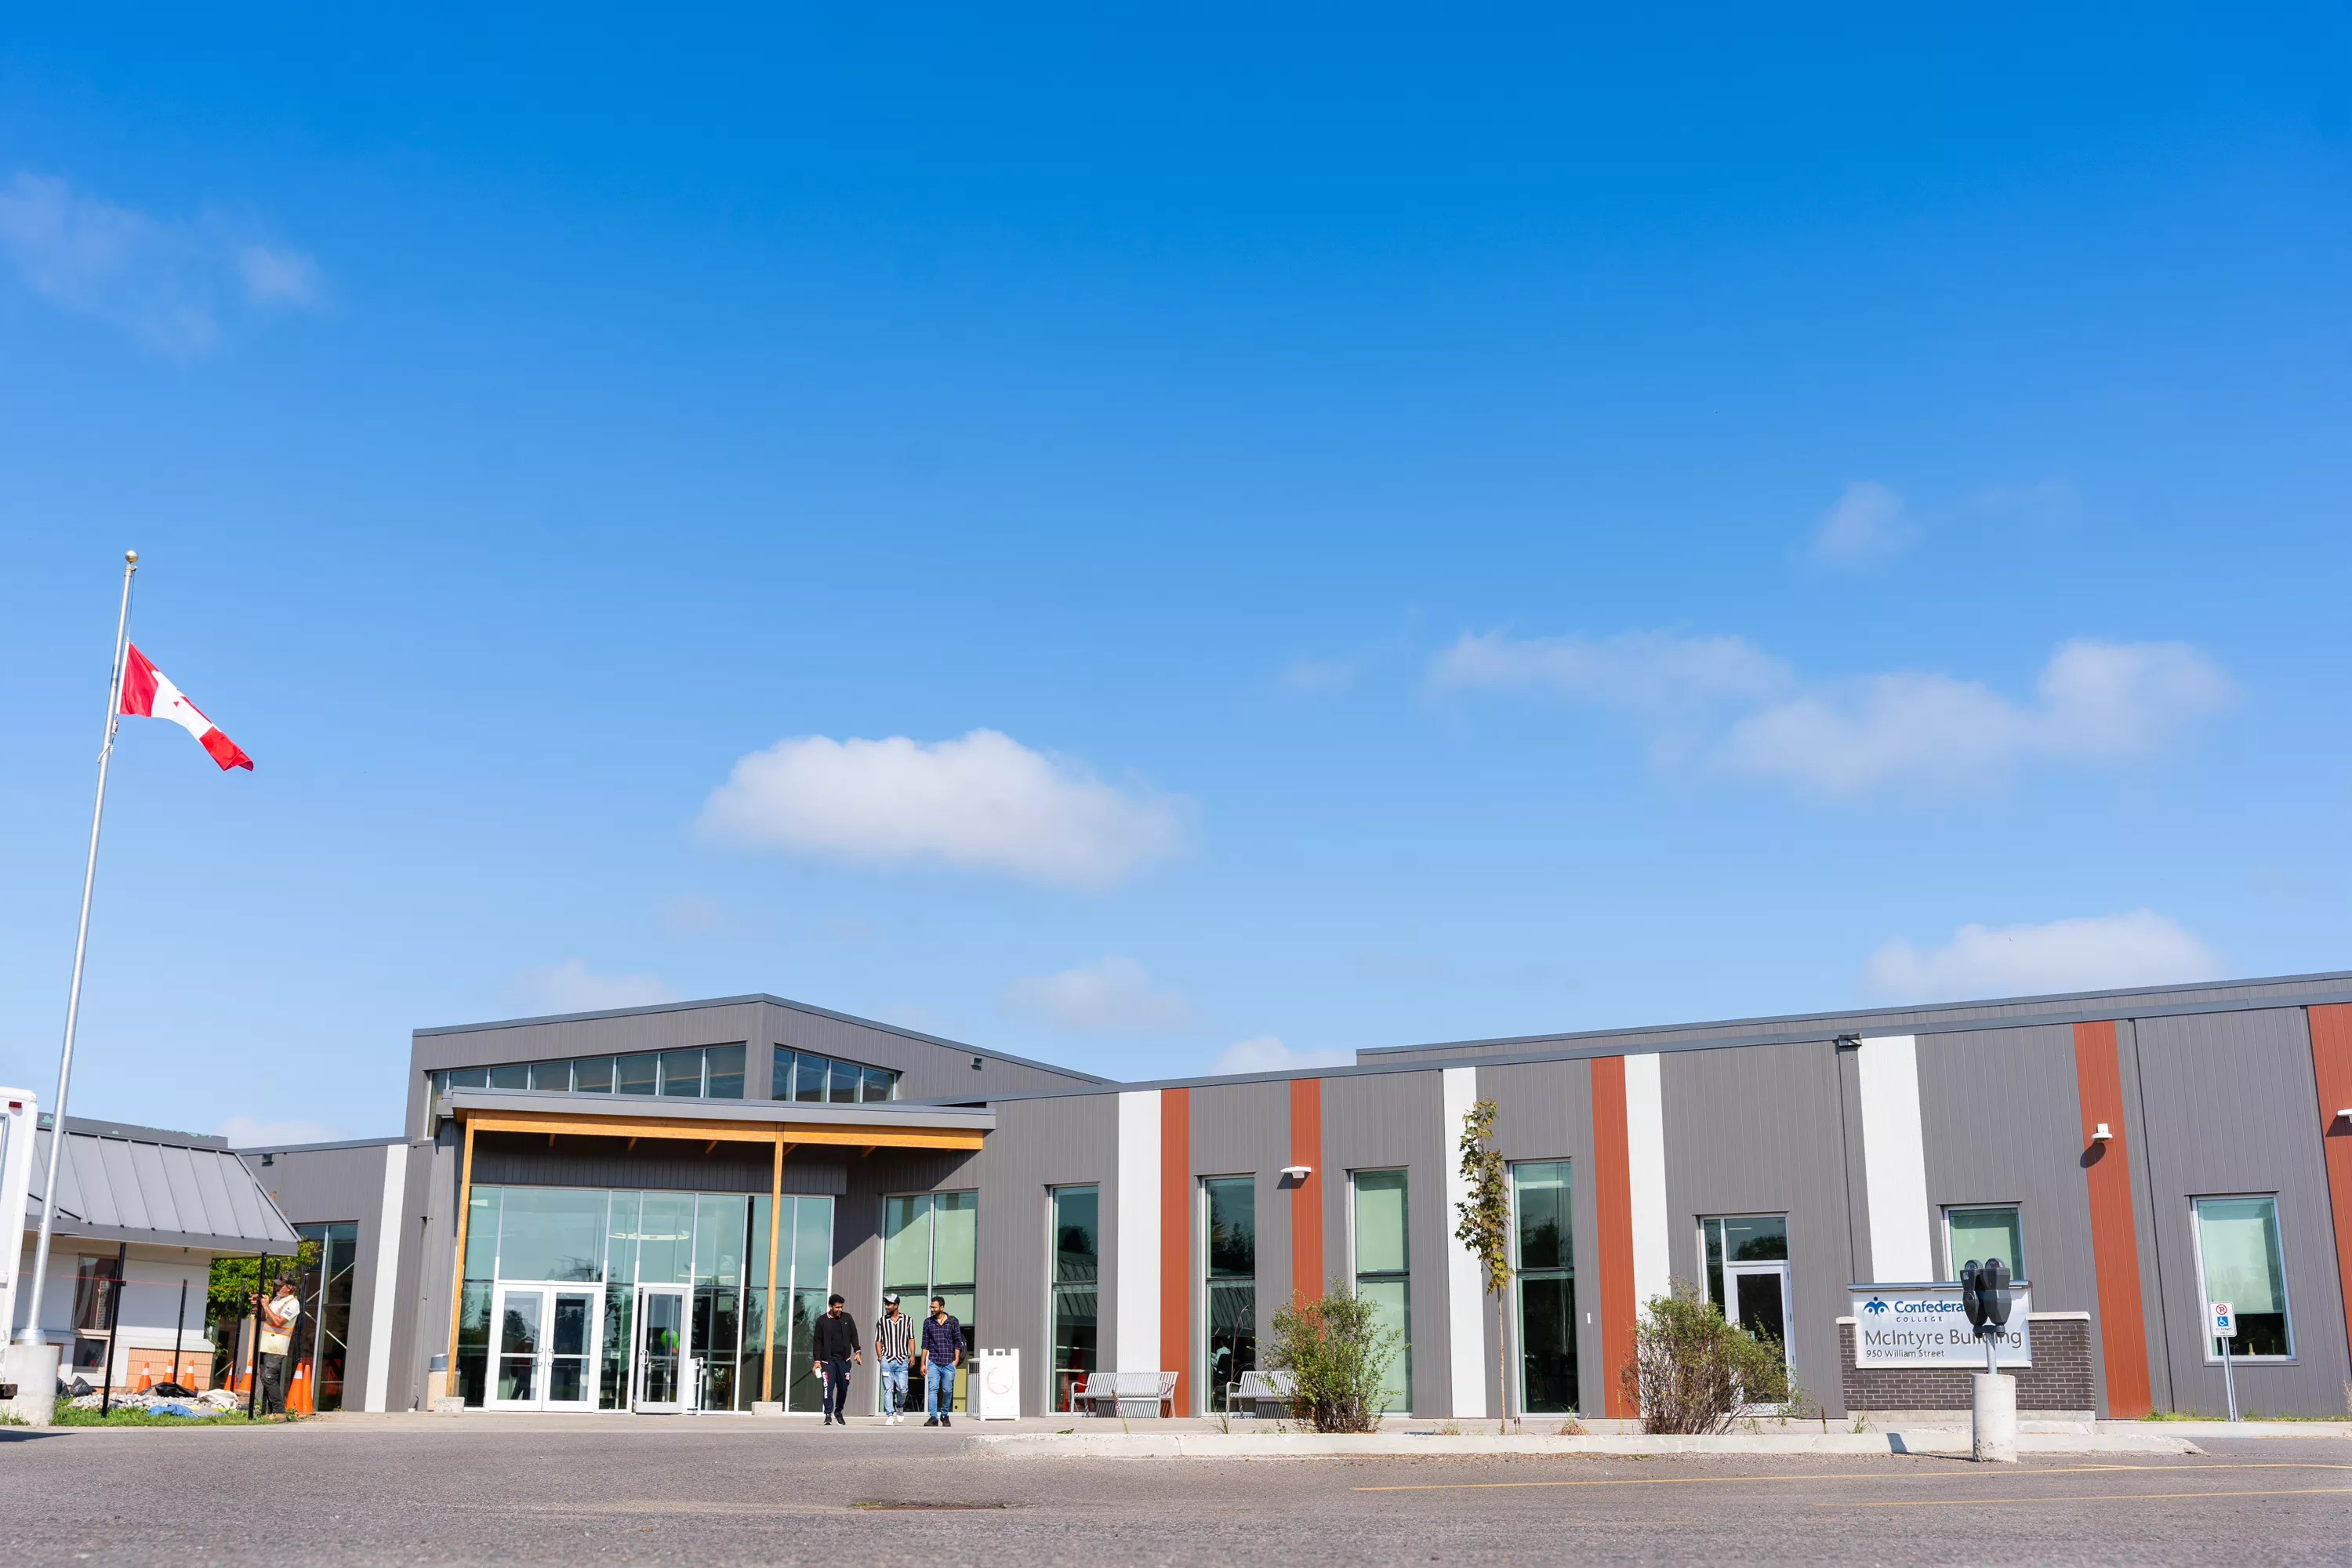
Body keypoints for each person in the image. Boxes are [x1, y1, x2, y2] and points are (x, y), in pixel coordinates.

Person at [810, 1292, 861, 1426]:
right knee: (828, 1387)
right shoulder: (822, 1321)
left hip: (844, 1360)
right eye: (837, 1307)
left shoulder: (847, 1318)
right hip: (828, 1361)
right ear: (830, 1306)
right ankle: (828, 1415)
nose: (840, 1310)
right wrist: (817, 1361)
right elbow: (817, 1342)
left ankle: (839, 1411)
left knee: (844, 1386)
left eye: (841, 1307)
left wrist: (857, 1351)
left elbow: (854, 1336)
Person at [252, 1277, 301, 1416]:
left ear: (290, 1288)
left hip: (277, 1345)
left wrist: (266, 1306)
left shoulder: (293, 1303)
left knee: (268, 1377)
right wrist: (259, 1307)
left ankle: (279, 1411)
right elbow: (266, 1318)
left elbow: (279, 1322)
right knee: (264, 1377)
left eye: (280, 1286)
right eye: (276, 1286)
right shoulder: (276, 1300)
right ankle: (271, 1411)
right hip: (266, 1344)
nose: (277, 1289)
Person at [919, 1294, 962, 1427]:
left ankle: (944, 1415)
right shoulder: (928, 1322)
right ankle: (933, 1417)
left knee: (947, 1390)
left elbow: (958, 1342)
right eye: (931, 1307)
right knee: (933, 1389)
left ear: (942, 1307)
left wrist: (955, 1361)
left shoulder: (953, 1322)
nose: (932, 1309)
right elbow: (925, 1344)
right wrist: (923, 1363)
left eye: (934, 1307)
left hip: (949, 1362)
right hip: (934, 1362)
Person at [873, 1292, 913, 1425]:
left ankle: (900, 1407)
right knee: (888, 1389)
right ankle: (890, 1414)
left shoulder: (907, 1320)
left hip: (902, 1359)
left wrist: (912, 1355)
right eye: (885, 1304)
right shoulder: (882, 1321)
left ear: (896, 1305)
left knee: (903, 1388)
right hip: (887, 1359)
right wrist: (880, 1357)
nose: (886, 1306)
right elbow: (878, 1340)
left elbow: (911, 1338)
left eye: (889, 1304)